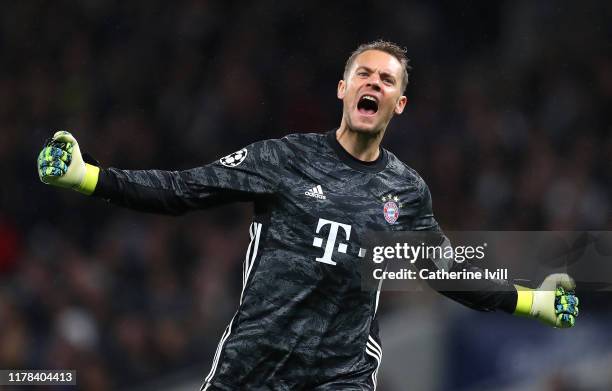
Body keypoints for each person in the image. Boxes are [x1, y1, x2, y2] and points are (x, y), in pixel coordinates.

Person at [37, 40, 579, 391]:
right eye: (363, 74)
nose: (374, 84)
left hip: (339, 376)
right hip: (253, 365)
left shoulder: (405, 191)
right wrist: (88, 176)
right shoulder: (284, 158)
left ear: (400, 105)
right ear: (343, 90)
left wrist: (536, 303)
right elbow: (183, 190)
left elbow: (444, 272)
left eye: (387, 81)